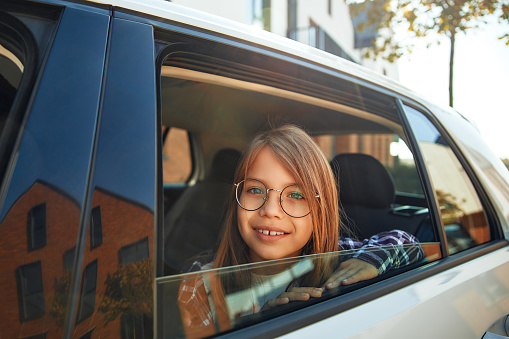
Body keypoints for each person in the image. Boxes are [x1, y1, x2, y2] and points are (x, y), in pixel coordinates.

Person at [177, 125, 423, 337]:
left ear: (320, 211)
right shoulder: (202, 282)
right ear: (237, 197)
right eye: (254, 190)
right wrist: (260, 324)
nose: (270, 210)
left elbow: (406, 242)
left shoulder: (338, 257)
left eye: (296, 195)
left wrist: (370, 260)